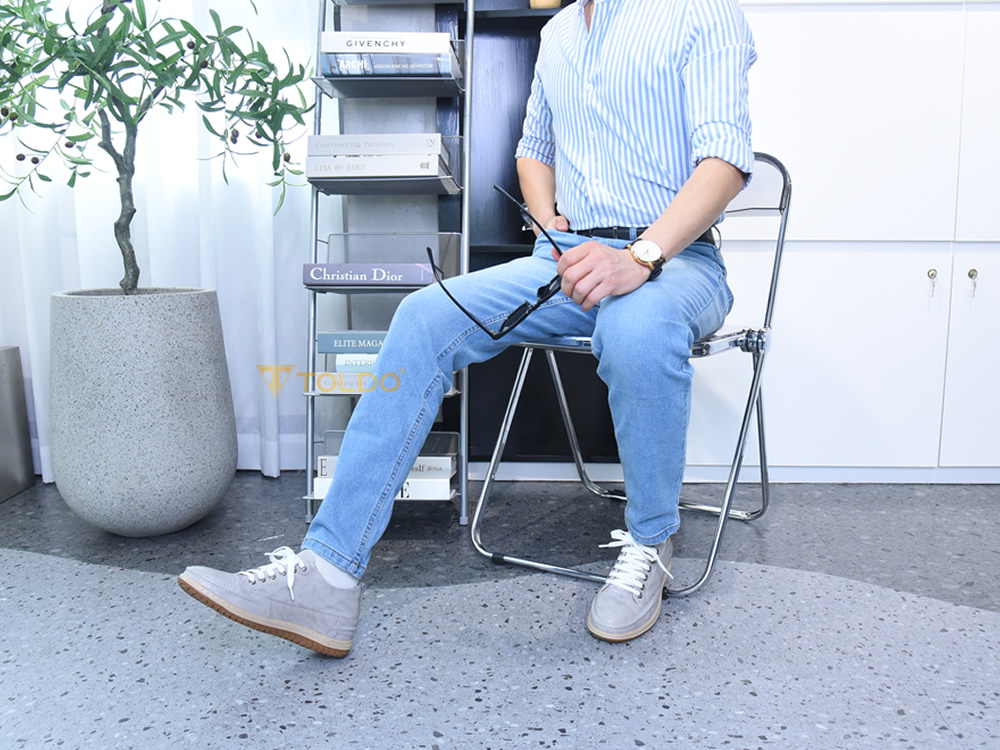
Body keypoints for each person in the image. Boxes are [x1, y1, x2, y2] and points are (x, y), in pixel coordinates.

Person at [178, 0, 756, 656]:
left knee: (637, 328)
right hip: (568, 260)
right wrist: (549, 219)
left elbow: (726, 161)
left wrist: (640, 257)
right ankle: (328, 576)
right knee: (424, 315)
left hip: (675, 259)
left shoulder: (700, 10)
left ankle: (651, 541)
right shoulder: (560, 32)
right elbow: (534, 150)